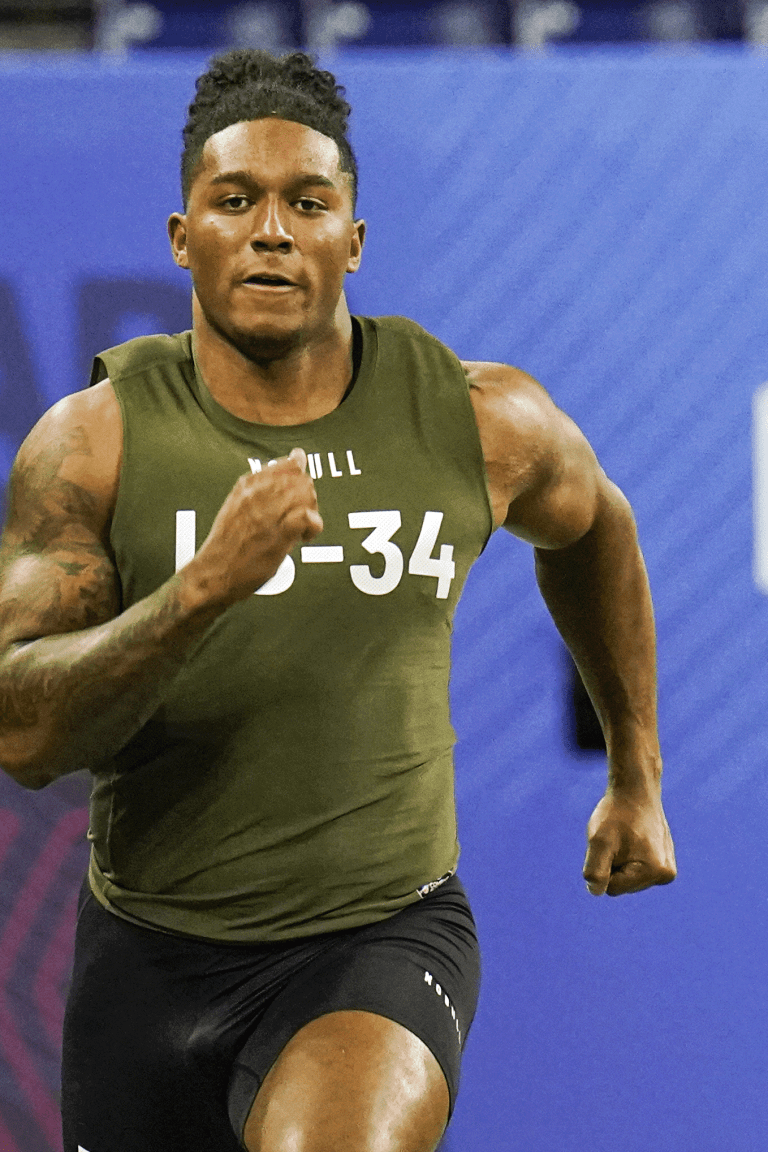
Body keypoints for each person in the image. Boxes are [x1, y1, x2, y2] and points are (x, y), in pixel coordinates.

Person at [0, 50, 676, 1152]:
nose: (272, 230)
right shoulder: (94, 442)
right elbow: (22, 731)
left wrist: (636, 774)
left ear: (351, 242)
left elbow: (597, 524)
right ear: (184, 240)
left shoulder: (478, 420)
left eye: (307, 203)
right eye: (236, 201)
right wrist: (203, 591)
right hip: (145, 953)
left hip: (377, 937)